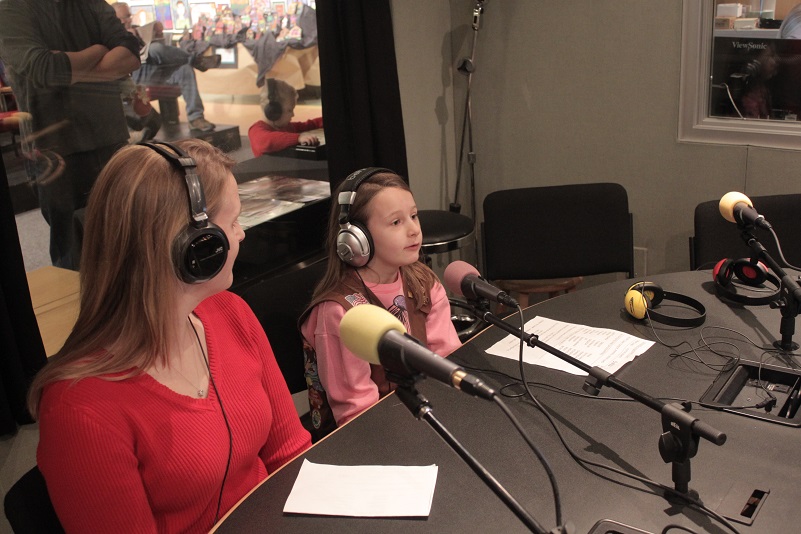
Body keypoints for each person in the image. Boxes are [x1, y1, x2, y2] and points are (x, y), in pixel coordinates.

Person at [27, 139, 311, 532]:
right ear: (196, 246)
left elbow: (288, 454)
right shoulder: (80, 409)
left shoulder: (230, 313)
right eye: (233, 222)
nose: (241, 234)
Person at [300, 168, 461, 437]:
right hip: (376, 433)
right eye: (396, 222)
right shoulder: (339, 311)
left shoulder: (423, 282)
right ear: (356, 238)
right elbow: (355, 411)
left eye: (413, 216)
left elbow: (446, 359)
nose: (414, 230)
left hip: (425, 415)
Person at [0, 0, 141, 269]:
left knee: (130, 242)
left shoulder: (89, 3)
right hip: (56, 150)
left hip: (109, 138)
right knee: (75, 256)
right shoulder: (12, 7)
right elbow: (44, 68)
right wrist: (100, 50)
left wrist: (67, 68)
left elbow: (131, 53)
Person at [113, 2, 218, 132]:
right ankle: (196, 60)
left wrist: (158, 33)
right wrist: (128, 38)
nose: (129, 19)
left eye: (130, 16)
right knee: (154, 49)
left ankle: (196, 118)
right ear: (115, 18)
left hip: (154, 70)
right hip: (134, 76)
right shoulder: (111, 35)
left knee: (185, 69)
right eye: (126, 16)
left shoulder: (137, 29)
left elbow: (162, 49)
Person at [248, 77, 323, 156]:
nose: (293, 114)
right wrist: (298, 138)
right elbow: (265, 141)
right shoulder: (255, 130)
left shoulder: (286, 126)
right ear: (274, 111)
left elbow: (309, 125)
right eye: (290, 110)